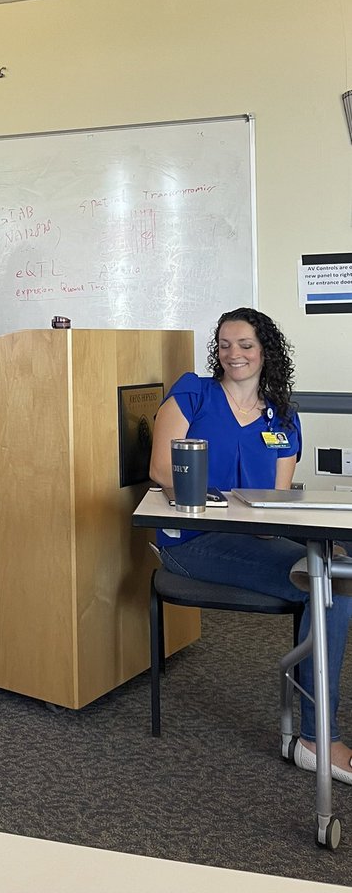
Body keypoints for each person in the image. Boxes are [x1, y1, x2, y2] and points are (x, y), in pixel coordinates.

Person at [150, 308, 352, 780]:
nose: (233, 354)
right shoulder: (192, 393)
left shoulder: (281, 415)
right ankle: (316, 738)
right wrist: (224, 508)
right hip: (194, 539)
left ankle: (311, 724)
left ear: (265, 352)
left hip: (255, 537)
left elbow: (277, 500)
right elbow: (162, 472)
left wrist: (279, 522)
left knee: (340, 569)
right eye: (224, 344)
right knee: (325, 587)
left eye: (245, 345)